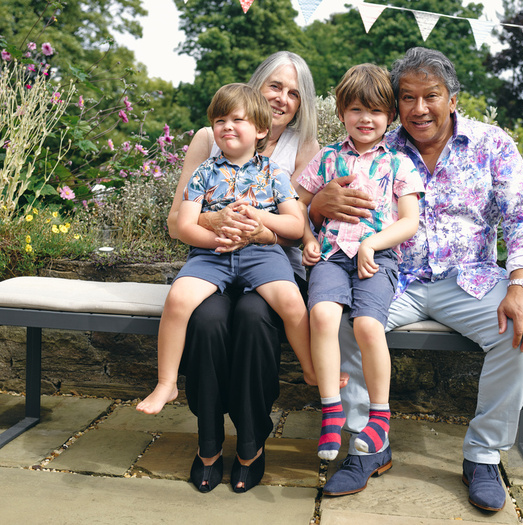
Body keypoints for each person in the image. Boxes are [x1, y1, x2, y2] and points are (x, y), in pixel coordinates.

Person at [312, 48, 523, 512]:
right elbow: (319, 205)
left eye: (432, 96)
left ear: (453, 98)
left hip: (471, 279)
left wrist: (520, 283)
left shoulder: (491, 143)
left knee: (520, 333)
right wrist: (318, 206)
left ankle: (482, 454)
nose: (420, 109)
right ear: (395, 103)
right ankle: (367, 445)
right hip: (392, 276)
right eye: (408, 98)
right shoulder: (373, 147)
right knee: (343, 322)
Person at [166, 51, 323, 494]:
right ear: (257, 86)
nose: (283, 98)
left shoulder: (302, 149)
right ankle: (209, 442)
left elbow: (298, 228)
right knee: (210, 320)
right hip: (213, 255)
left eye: (294, 93)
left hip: (270, 262)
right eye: (275, 86)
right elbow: (177, 221)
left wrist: (261, 229)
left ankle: (252, 443)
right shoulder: (209, 139)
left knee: (255, 320)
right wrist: (215, 223)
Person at [136, 83, 313, 417]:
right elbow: (185, 227)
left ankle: (311, 367)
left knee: (291, 300)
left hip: (263, 255)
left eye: (237, 119)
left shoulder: (274, 173)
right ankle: (166, 383)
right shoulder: (205, 172)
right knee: (178, 299)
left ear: (261, 129)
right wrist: (217, 239)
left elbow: (296, 227)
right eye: (219, 120)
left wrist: (262, 222)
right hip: (211, 256)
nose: (226, 126)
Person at [295, 64, 424, 461]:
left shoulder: (399, 163)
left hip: (377, 260)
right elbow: (297, 205)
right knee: (323, 317)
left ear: (389, 116)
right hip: (332, 257)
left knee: (368, 325)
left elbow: (409, 222)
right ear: (341, 114)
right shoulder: (327, 158)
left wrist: (372, 245)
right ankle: (331, 410)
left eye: (375, 111)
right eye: (355, 110)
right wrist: (307, 238)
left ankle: (379, 416)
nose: (365, 119)